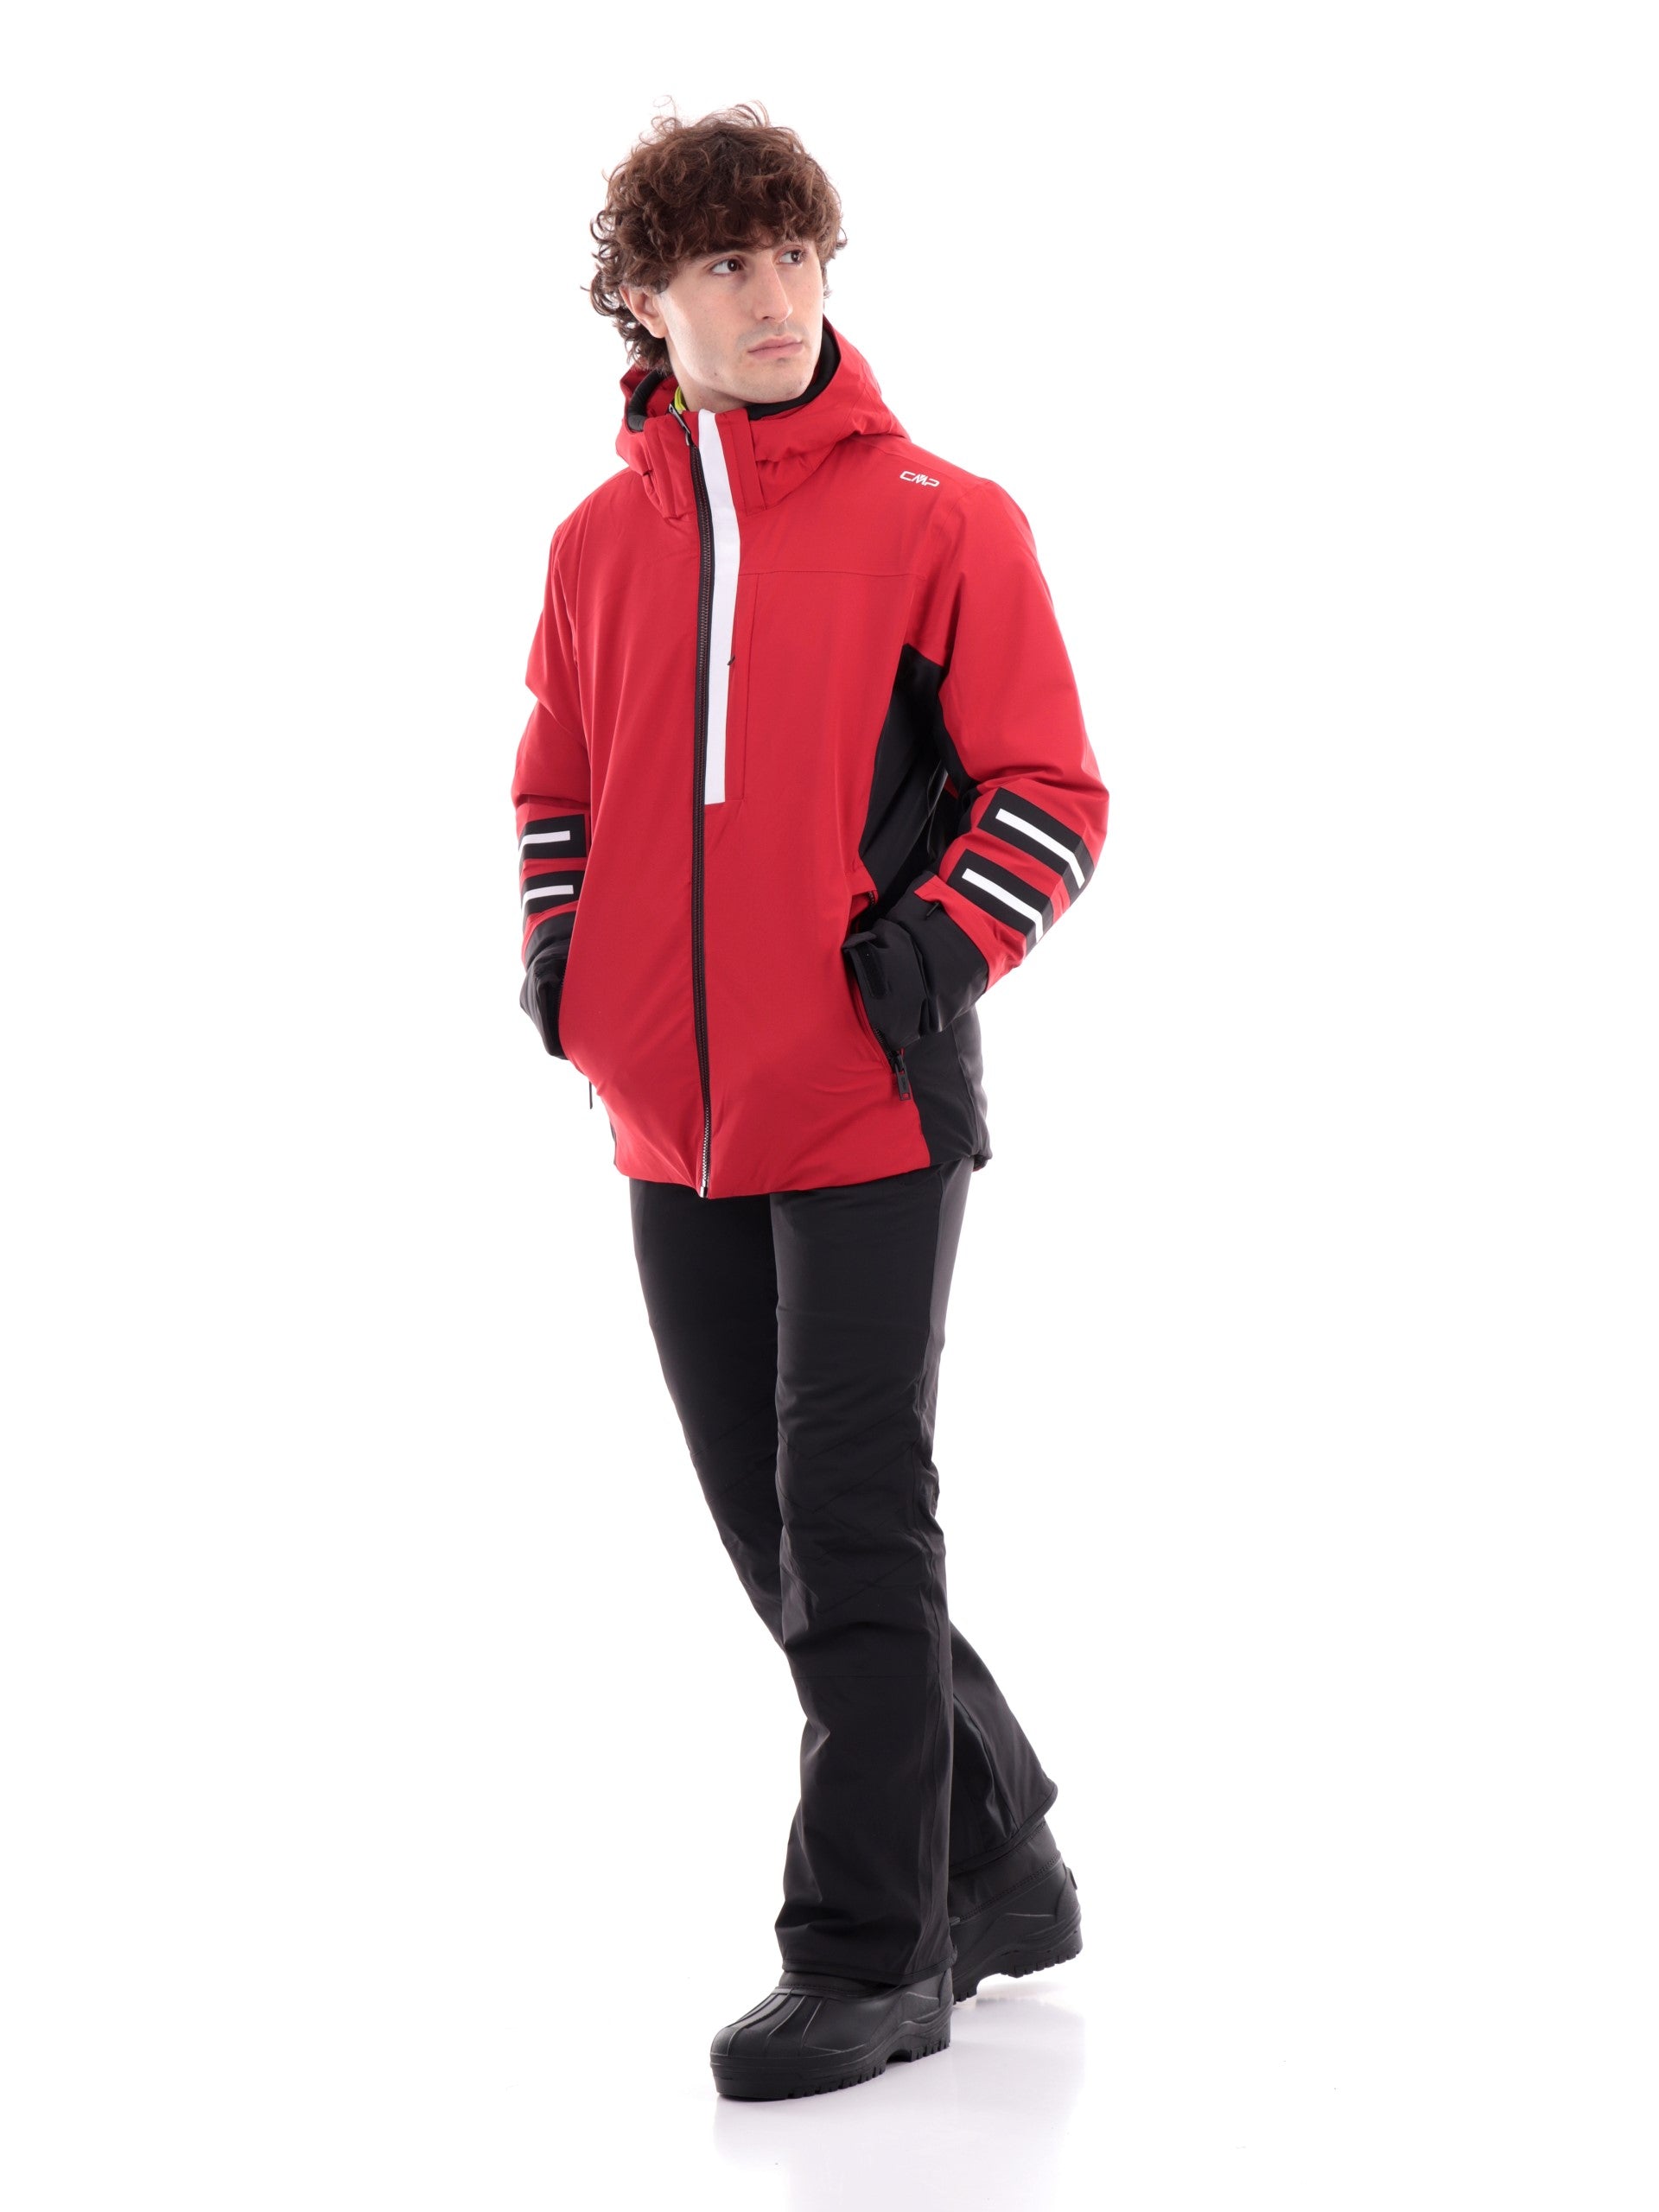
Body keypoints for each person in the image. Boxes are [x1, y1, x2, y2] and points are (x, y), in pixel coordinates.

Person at [510, 104, 1109, 2101]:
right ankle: (998, 1850)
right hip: (669, 1118)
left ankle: (874, 1949)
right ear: (643, 299)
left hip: (867, 1104)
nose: (773, 296)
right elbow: (558, 784)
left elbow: (1052, 792)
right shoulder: (598, 543)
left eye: (796, 255)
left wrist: (924, 957)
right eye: (726, 264)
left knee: (850, 1518)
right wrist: (567, 961)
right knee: (776, 1534)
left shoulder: (942, 518)